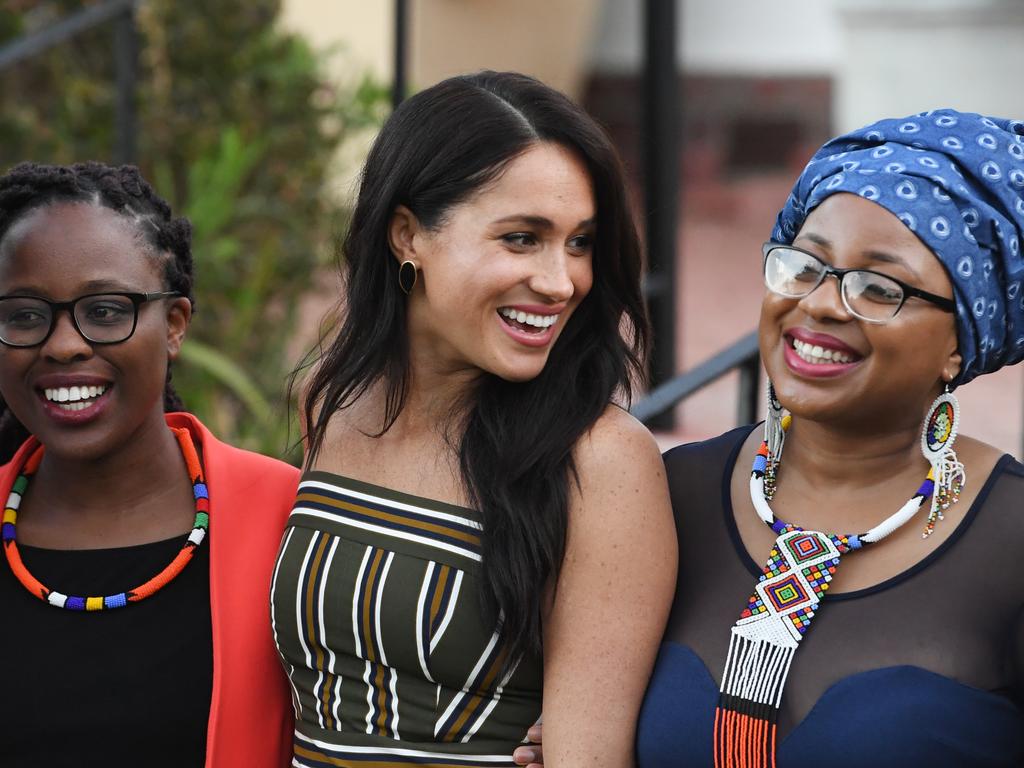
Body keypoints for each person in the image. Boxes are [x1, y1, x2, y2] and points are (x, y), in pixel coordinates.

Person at [270, 71, 677, 767]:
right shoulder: (330, 401)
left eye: (580, 243)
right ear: (407, 236)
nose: (560, 282)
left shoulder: (601, 460)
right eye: (522, 238)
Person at [635, 109, 1024, 767]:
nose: (818, 303)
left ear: (959, 341)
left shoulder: (1011, 543)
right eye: (804, 266)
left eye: (878, 286)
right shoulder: (671, 495)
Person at [0, 162, 298, 767]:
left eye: (107, 310)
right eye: (25, 314)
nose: (63, 344)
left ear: (175, 326)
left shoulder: (286, 515)